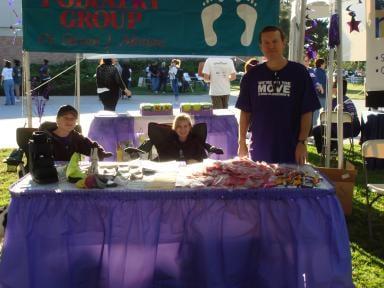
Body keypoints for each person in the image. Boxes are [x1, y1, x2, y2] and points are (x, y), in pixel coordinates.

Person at [236, 26, 321, 164]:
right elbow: (245, 112)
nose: (271, 46)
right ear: (261, 46)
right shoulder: (252, 76)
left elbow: (307, 111)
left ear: (283, 43)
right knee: (261, 183)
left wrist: (302, 142)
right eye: (266, 43)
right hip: (260, 147)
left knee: (290, 184)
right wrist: (241, 142)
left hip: (291, 147)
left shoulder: (299, 73)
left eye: (275, 41)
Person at [40, 105, 113, 161]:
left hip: (70, 173)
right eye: (66, 118)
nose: (69, 121)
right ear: (57, 120)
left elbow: (90, 146)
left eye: (72, 119)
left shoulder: (76, 137)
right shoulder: (44, 137)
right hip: (48, 174)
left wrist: (101, 153)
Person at [312, 79, 361, 153]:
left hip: (342, 130)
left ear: (336, 89)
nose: (330, 88)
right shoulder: (348, 99)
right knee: (329, 128)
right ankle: (333, 148)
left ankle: (325, 151)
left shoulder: (336, 101)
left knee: (317, 130)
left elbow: (326, 118)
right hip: (354, 129)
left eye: (332, 87)